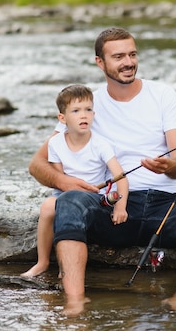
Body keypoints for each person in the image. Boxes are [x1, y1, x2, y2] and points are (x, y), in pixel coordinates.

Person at [29, 27, 176, 314]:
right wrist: (64, 180)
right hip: (112, 207)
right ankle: (75, 301)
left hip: (164, 208)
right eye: (118, 56)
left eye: (132, 54)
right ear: (100, 62)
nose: (128, 62)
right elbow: (37, 164)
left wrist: (169, 166)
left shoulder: (163, 95)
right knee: (68, 201)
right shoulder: (86, 106)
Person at [22, 84, 129, 278]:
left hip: (94, 199)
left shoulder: (101, 144)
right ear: (62, 118)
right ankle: (43, 262)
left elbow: (121, 178)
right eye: (76, 111)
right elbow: (59, 179)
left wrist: (120, 207)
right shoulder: (55, 143)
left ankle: (67, 268)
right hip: (65, 197)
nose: (84, 115)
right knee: (48, 206)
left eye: (88, 110)